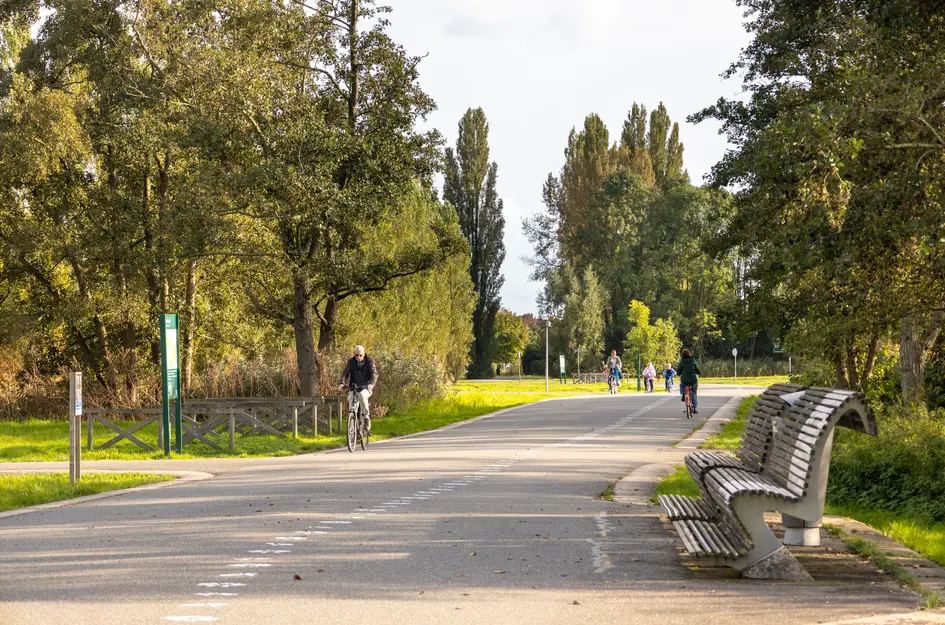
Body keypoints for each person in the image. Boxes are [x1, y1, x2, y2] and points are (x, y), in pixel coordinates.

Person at [338, 345, 378, 433]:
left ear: (364, 354)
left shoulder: (370, 361)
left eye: (360, 355)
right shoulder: (351, 362)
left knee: (362, 395)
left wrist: (371, 384)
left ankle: (366, 418)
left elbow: (374, 374)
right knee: (351, 398)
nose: (358, 357)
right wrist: (342, 383)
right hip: (354, 386)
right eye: (356, 355)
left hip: (366, 387)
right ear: (354, 354)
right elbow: (345, 373)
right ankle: (352, 425)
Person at [676, 349, 701, 414]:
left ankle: (683, 393)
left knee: (682, 385)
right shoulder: (693, 361)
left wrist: (679, 373)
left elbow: (678, 371)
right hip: (693, 380)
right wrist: (698, 372)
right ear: (689, 354)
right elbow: (698, 370)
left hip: (684, 380)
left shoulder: (681, 362)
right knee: (694, 393)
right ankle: (694, 408)